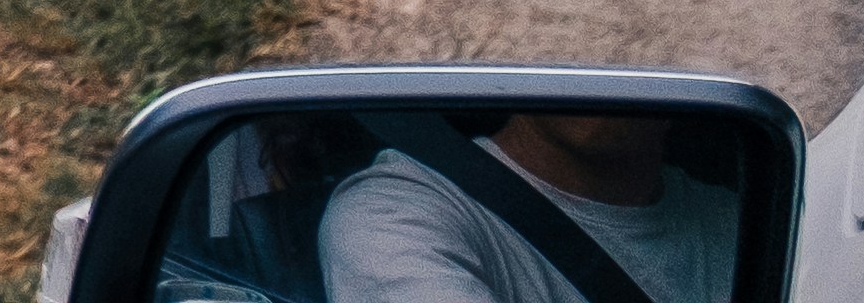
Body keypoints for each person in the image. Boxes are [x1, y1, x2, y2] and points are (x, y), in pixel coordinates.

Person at [317, 111, 740, 303]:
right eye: (574, 27)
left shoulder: (748, 226)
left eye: (639, 32)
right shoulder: (395, 215)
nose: (604, 55)